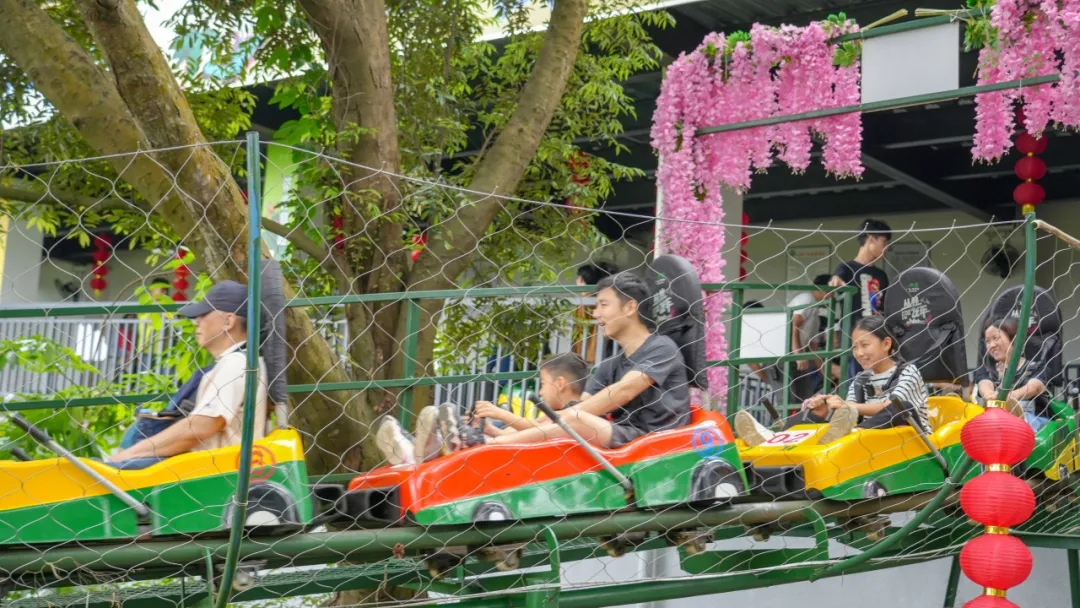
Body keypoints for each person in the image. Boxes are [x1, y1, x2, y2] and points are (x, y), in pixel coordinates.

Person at [443, 272, 690, 450]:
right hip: (623, 434)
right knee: (567, 417)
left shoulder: (662, 348)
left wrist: (570, 415)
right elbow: (565, 414)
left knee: (573, 418)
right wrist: (497, 428)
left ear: (629, 307)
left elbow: (623, 391)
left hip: (654, 439)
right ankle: (485, 441)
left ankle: (485, 444)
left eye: (603, 305)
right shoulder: (611, 365)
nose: (596, 313)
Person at [108, 280, 269, 470]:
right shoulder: (240, 361)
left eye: (204, 315)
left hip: (209, 472)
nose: (196, 322)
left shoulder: (236, 364)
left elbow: (202, 426)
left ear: (228, 321)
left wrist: (127, 455)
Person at [734, 315, 929, 447]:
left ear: (886, 343)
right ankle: (774, 439)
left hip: (914, 444)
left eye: (865, 345)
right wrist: (827, 407)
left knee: (901, 407)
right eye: (854, 347)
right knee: (817, 410)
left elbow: (888, 407)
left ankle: (848, 435)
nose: (859, 353)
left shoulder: (908, 371)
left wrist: (846, 407)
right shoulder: (861, 379)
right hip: (871, 443)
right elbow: (849, 413)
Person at [374, 353, 591, 466]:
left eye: (542, 384)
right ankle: (417, 451)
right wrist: (489, 429)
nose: (540, 392)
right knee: (452, 427)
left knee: (463, 443)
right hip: (519, 454)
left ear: (560, 383)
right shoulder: (554, 414)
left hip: (527, 464)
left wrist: (500, 414)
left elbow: (538, 430)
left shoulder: (573, 413)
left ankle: (425, 449)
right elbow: (529, 432)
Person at [829, 219, 892, 383]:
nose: (886, 248)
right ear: (871, 239)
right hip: (854, 340)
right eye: (883, 242)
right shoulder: (846, 268)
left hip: (877, 339)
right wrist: (835, 282)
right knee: (856, 384)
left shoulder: (881, 275)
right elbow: (834, 282)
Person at [975, 317, 1052, 431]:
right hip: (996, 423)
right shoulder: (987, 369)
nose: (992, 345)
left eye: (996, 338)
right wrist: (990, 395)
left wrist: (1008, 397)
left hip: (1034, 425)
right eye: (987, 341)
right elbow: (984, 384)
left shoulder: (1037, 367)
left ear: (1014, 339)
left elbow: (1034, 387)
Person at [787, 275, 833, 401]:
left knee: (806, 398)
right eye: (832, 292)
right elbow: (793, 325)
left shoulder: (815, 313)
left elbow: (813, 350)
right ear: (824, 289)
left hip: (798, 358)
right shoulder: (807, 299)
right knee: (789, 399)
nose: (833, 297)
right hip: (785, 355)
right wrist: (798, 355)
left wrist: (827, 376)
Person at [573, 262, 618, 364]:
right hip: (605, 349)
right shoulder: (604, 301)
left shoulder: (582, 303)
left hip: (585, 352)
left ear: (580, 279)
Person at [135, 277, 175, 375]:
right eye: (161, 289)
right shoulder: (145, 302)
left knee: (164, 376)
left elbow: (171, 318)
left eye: (165, 290)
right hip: (145, 348)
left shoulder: (168, 303)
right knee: (145, 377)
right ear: (152, 289)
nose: (164, 292)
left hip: (162, 348)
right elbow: (143, 318)